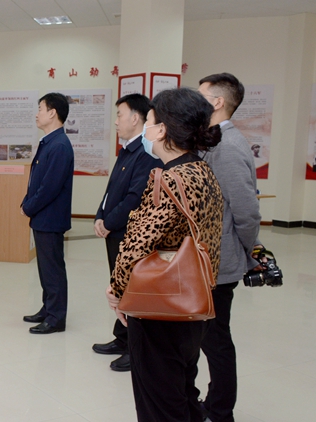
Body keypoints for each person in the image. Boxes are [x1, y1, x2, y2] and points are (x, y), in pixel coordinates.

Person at [106, 87, 223, 421]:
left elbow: (138, 243)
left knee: (159, 402)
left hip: (159, 307)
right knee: (183, 392)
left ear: (162, 130)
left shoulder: (168, 179)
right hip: (193, 300)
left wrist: (116, 289)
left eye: (150, 120)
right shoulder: (203, 171)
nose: (146, 128)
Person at [198, 73, 262, 422]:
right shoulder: (215, 141)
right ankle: (212, 403)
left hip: (219, 262)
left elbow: (247, 212)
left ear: (217, 102)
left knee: (216, 341)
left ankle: (220, 411)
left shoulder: (227, 147)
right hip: (210, 259)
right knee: (209, 338)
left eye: (201, 96)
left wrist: (249, 252)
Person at [92, 94, 162, 372]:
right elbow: (112, 191)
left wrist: (109, 222)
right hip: (115, 230)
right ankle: (122, 338)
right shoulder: (127, 150)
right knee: (119, 285)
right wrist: (99, 215)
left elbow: (134, 197)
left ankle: (136, 348)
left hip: (129, 233)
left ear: (135, 118)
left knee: (132, 289)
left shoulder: (146, 153)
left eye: (120, 115)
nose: (116, 121)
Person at [21, 92, 74, 334]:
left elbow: (50, 187)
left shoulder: (59, 145)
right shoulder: (50, 142)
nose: (37, 114)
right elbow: (38, 181)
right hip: (43, 217)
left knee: (53, 269)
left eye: (40, 109)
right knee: (45, 268)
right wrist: (27, 201)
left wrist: (29, 206)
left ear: (52, 113)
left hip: (50, 217)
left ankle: (56, 318)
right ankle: (48, 308)